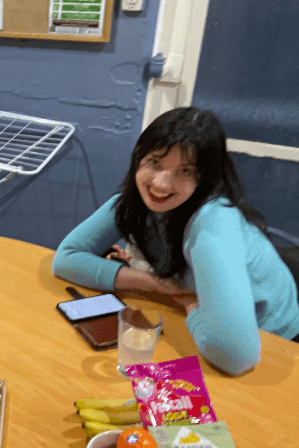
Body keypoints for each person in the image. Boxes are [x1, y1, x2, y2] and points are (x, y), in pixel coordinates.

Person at [53, 107, 299, 375]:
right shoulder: (132, 202)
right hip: (204, 324)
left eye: (184, 171)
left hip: (272, 340)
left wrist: (191, 304)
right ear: (139, 158)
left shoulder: (214, 223)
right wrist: (161, 286)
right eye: (155, 162)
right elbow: (66, 258)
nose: (161, 183)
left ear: (205, 177)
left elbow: (236, 355)